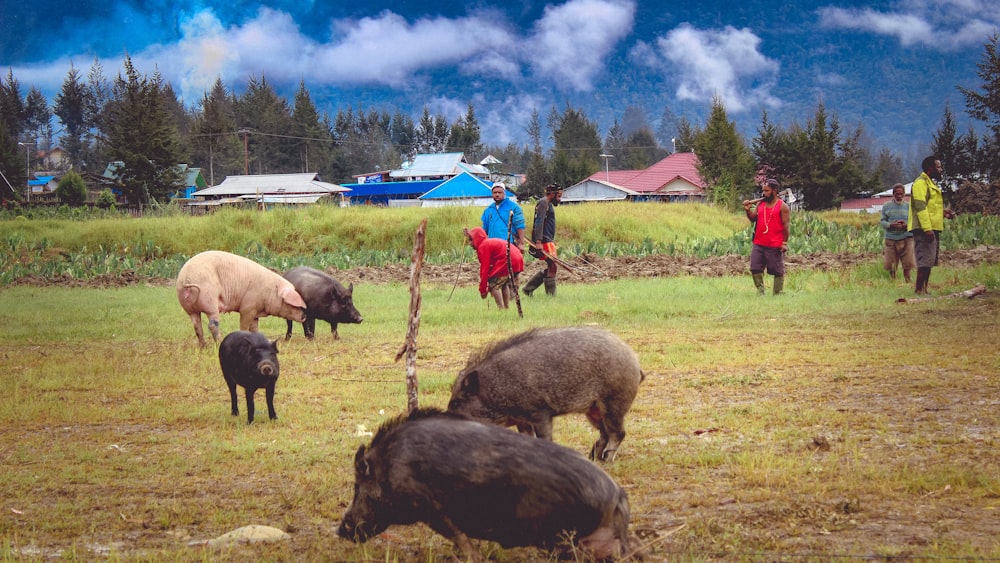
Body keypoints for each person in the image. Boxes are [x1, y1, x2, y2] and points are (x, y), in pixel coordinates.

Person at [908, 156, 955, 295]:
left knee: (929, 260)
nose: (941, 170)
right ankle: (918, 290)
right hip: (924, 229)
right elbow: (921, 208)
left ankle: (925, 289)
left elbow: (931, 208)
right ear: (930, 168)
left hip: (932, 228)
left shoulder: (930, 184)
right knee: (924, 260)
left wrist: (943, 213)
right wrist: (927, 229)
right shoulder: (920, 184)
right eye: (938, 167)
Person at [742, 178, 790, 295]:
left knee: (777, 270)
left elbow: (786, 227)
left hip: (774, 244)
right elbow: (753, 219)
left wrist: (784, 243)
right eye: (763, 190)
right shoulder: (761, 204)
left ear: (774, 191)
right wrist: (748, 211)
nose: (764, 193)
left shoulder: (782, 207)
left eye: (767, 190)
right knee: (755, 268)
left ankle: (777, 293)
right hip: (759, 243)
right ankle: (760, 292)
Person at [464, 226, 524, 309]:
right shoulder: (487, 243)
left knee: (493, 285)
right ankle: (506, 308)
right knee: (504, 283)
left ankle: (501, 309)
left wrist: (483, 290)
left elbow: (485, 269)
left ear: (478, 238)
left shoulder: (483, 247)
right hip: (517, 259)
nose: (470, 244)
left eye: (471, 240)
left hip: (509, 260)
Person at [523, 183, 562, 296]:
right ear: (552, 194)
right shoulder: (543, 203)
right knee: (553, 266)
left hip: (547, 239)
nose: (559, 199)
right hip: (544, 240)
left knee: (552, 266)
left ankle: (529, 289)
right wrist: (538, 241)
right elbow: (539, 223)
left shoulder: (547, 203)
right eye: (558, 196)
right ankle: (546, 294)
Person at [879, 183, 916, 283]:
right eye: (897, 194)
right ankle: (893, 280)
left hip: (907, 237)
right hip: (891, 238)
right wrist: (891, 225)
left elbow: (914, 222)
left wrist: (906, 225)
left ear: (904, 194)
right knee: (891, 262)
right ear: (893, 194)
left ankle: (908, 280)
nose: (899, 196)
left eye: (901, 194)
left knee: (908, 262)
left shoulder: (909, 206)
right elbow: (882, 221)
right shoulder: (887, 206)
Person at [480, 182, 525, 248]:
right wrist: (471, 233)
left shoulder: (514, 207)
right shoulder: (488, 210)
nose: (497, 194)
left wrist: (521, 243)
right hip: (492, 245)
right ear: (492, 194)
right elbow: (484, 229)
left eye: (499, 192)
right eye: (495, 193)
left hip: (509, 245)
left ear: (504, 193)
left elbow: (520, 225)